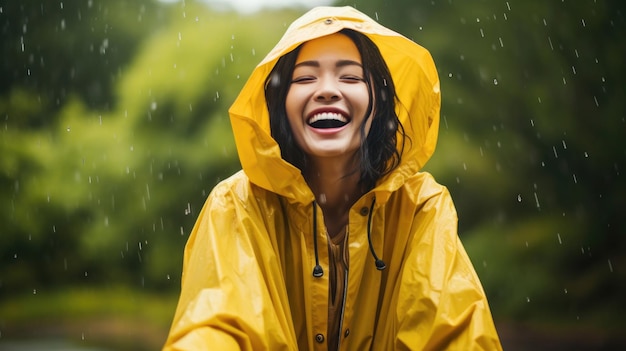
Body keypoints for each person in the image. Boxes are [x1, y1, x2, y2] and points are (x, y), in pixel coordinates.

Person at [164, 6, 501, 350]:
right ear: (280, 105)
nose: (327, 90)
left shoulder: (420, 209)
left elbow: (453, 331)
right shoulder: (237, 206)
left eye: (351, 77)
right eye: (305, 78)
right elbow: (217, 327)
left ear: (379, 103)